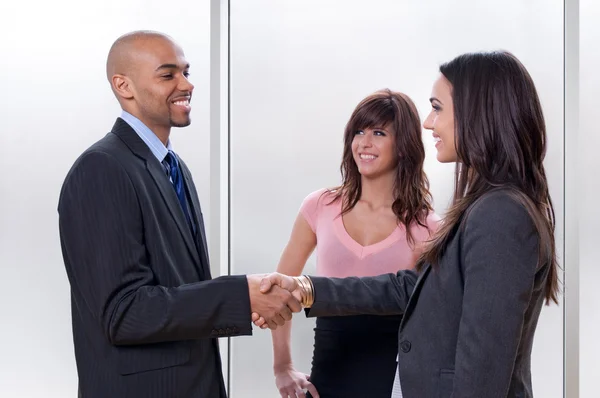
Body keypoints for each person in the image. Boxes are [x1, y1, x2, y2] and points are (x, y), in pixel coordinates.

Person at [256, 51, 559, 398]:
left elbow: (482, 373)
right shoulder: (486, 208)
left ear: (477, 113)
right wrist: (308, 289)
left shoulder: (500, 215)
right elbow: (410, 287)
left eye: (438, 107)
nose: (429, 122)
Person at [57, 30, 300, 398]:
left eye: (186, 72)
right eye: (168, 74)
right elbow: (124, 312)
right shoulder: (101, 169)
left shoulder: (174, 167)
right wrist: (241, 296)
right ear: (124, 85)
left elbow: (179, 292)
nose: (186, 84)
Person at [268, 89, 439, 398]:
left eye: (378, 132)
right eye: (358, 132)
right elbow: (279, 292)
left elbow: (433, 320)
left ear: (403, 145)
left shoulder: (428, 227)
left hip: (393, 385)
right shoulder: (320, 206)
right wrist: (283, 367)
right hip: (326, 383)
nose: (364, 143)